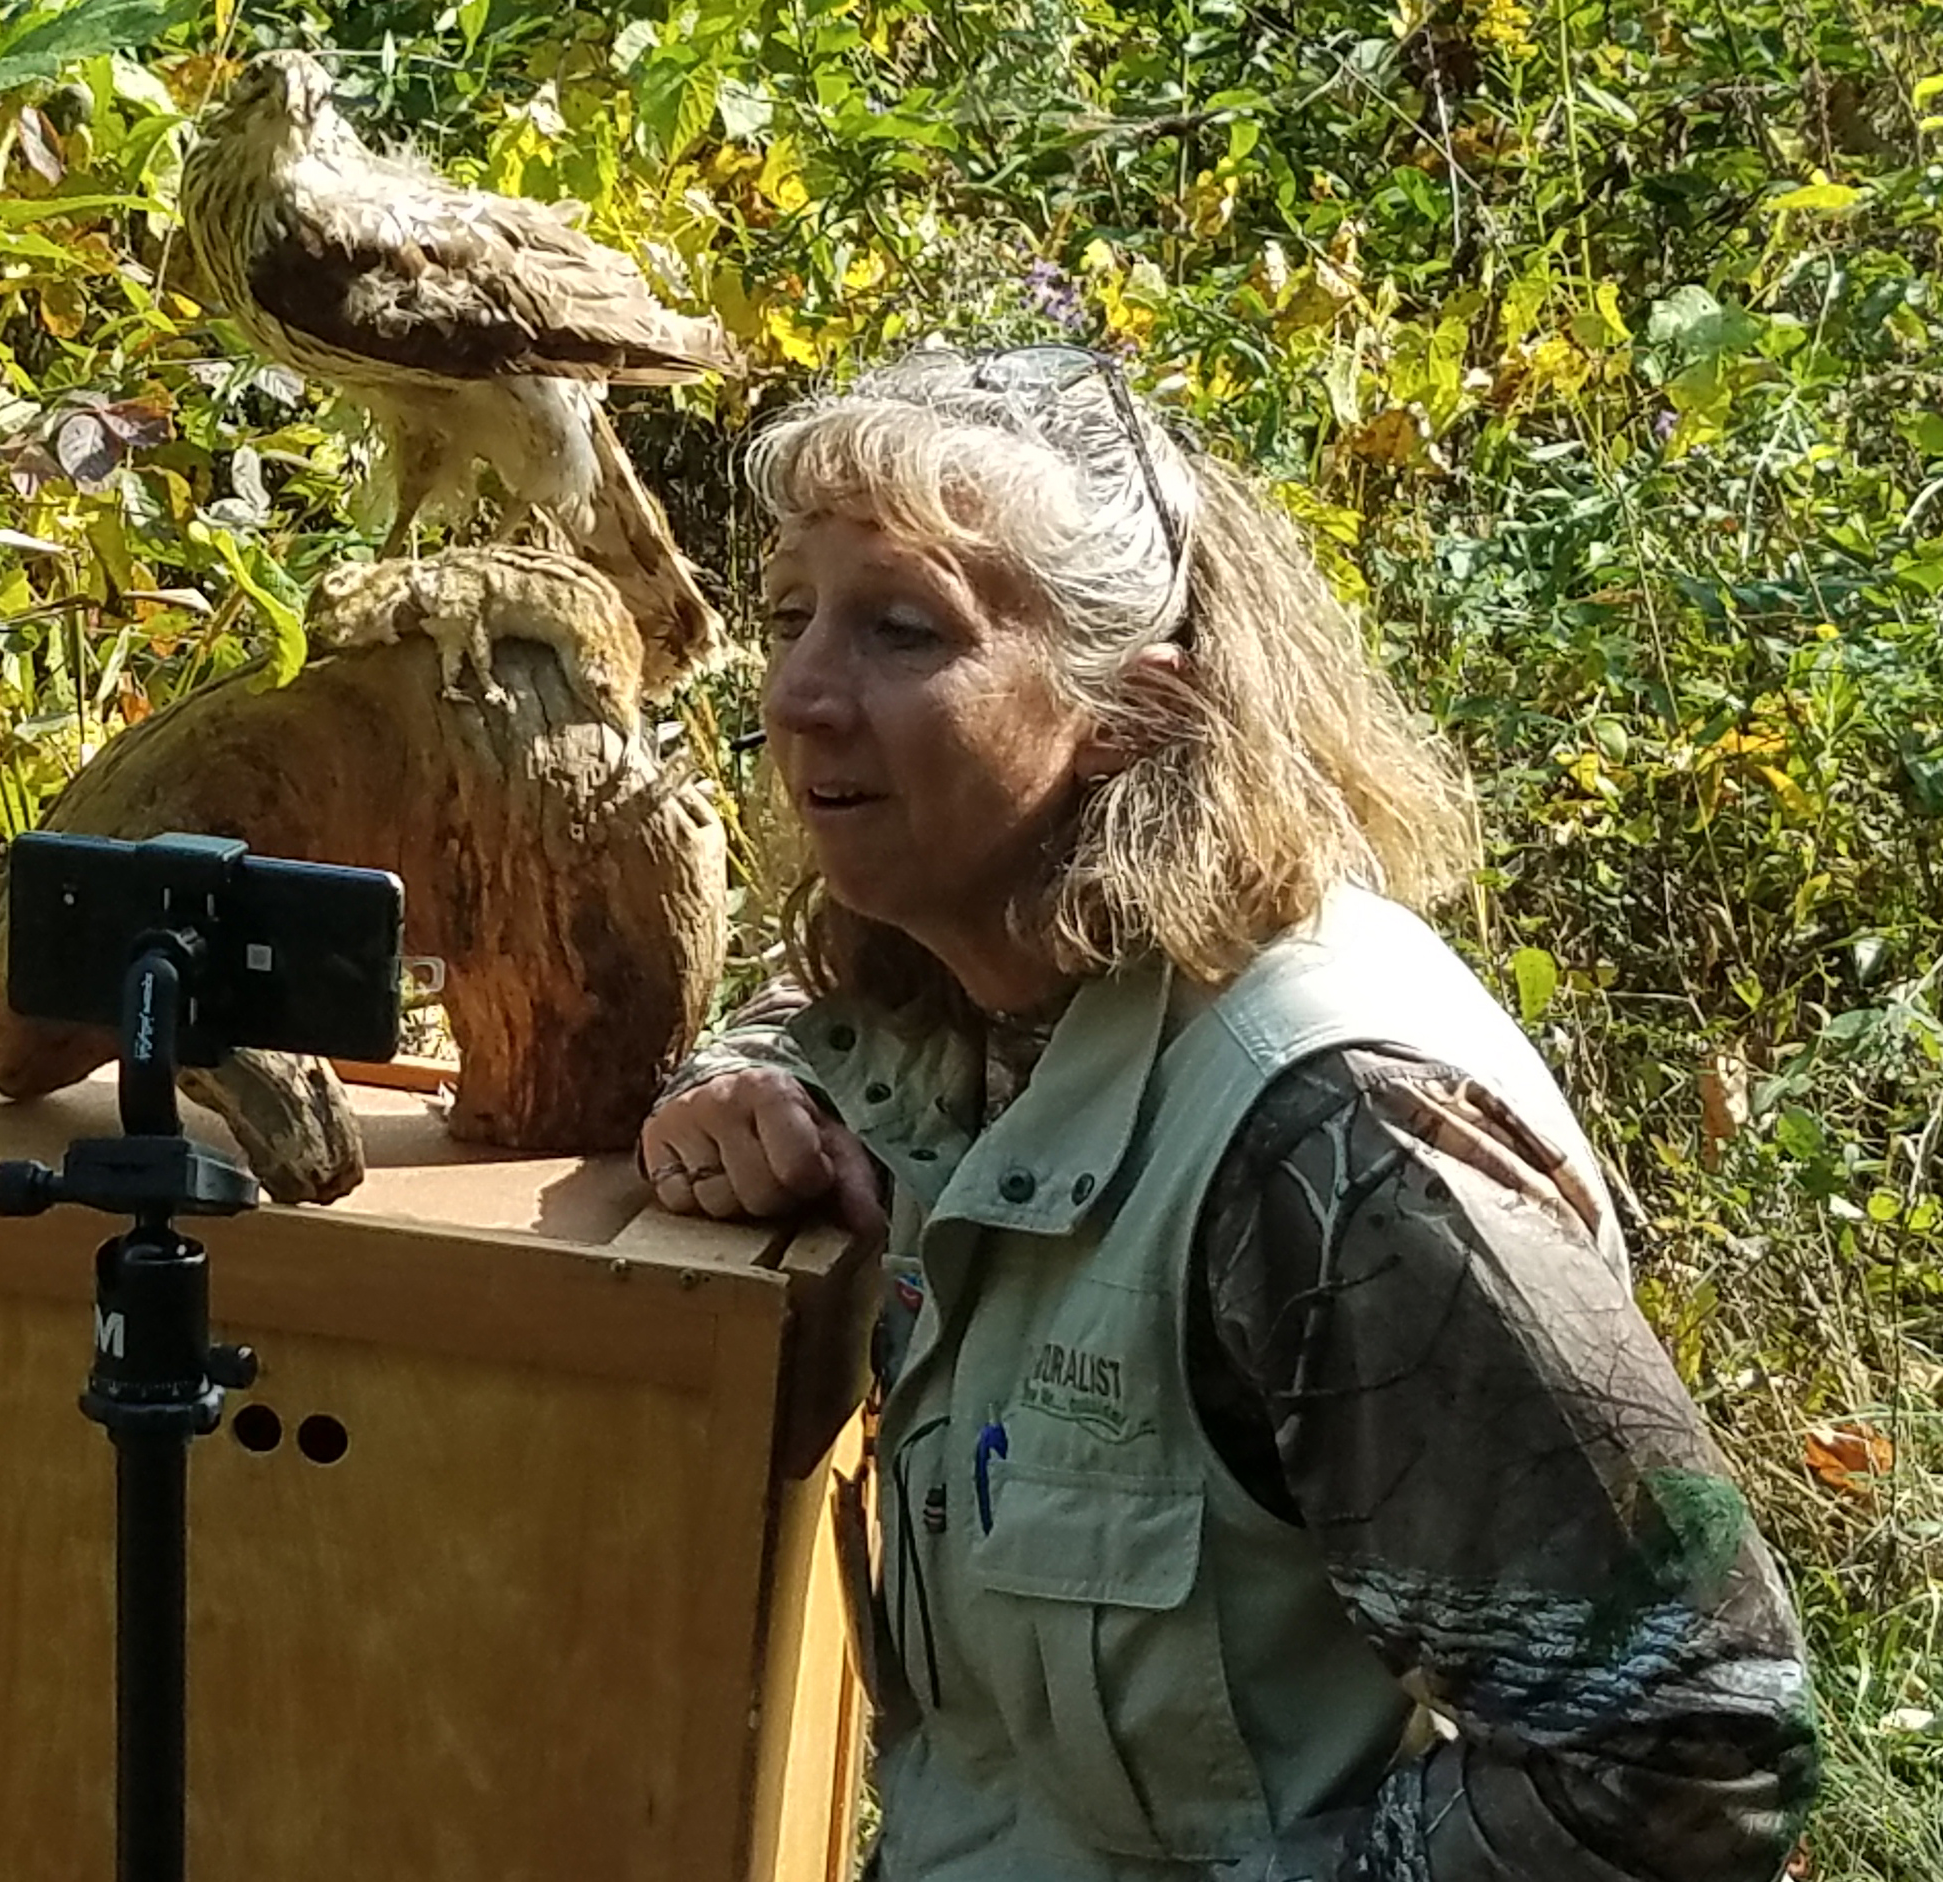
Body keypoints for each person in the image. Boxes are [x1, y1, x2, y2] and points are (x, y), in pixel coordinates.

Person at [638, 346, 1817, 1882]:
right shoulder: (991, 978)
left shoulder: (1338, 1141)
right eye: (790, 613)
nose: (795, 695)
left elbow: (1682, 1753)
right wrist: (736, 1086)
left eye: (901, 631)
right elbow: (821, 1024)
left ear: (1131, 709)